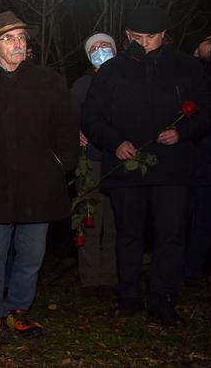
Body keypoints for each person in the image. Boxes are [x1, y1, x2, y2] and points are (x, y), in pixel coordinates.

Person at [80, 6, 211, 327]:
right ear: (127, 35)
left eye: (151, 37)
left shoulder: (187, 66)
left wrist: (183, 131)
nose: (145, 43)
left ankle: (163, 299)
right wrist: (114, 142)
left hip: (173, 167)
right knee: (128, 234)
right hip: (127, 166)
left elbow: (210, 109)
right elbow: (91, 116)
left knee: (171, 234)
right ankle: (128, 297)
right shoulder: (112, 71)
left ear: (165, 34)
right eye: (137, 37)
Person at [0, 11, 78, 341]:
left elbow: (67, 130)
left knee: (31, 257)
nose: (18, 43)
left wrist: (59, 163)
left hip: (39, 188)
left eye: (21, 37)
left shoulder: (48, 80)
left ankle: (19, 312)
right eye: (9, 38)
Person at [70, 33, 118, 300]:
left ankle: (109, 279)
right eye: (94, 48)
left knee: (114, 224)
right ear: (88, 55)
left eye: (105, 46)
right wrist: (75, 131)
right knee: (90, 222)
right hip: (91, 162)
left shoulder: (125, 77)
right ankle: (89, 279)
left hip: (121, 161)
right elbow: (67, 116)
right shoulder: (82, 84)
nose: (100, 50)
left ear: (115, 48)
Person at [181, 30, 211, 288]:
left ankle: (192, 271)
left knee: (207, 225)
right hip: (190, 165)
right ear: (194, 48)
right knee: (176, 223)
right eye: (207, 41)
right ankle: (171, 269)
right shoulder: (186, 75)